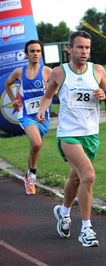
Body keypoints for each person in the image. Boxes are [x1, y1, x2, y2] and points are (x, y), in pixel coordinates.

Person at [36, 30, 106, 247]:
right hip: (68, 134)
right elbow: (47, 95)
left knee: (75, 179)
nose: (84, 52)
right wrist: (42, 111)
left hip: (91, 135)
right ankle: (86, 229)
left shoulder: (97, 70)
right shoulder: (58, 73)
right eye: (80, 47)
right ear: (69, 49)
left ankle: (63, 212)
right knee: (88, 176)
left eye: (87, 48)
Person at [4, 40, 52, 195]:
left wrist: (52, 90)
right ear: (27, 54)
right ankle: (32, 174)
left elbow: (57, 89)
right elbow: (7, 84)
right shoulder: (19, 72)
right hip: (26, 115)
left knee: (36, 148)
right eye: (32, 51)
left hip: (43, 116)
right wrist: (13, 99)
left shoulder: (47, 72)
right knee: (36, 143)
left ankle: (29, 174)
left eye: (38, 51)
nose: (36, 54)